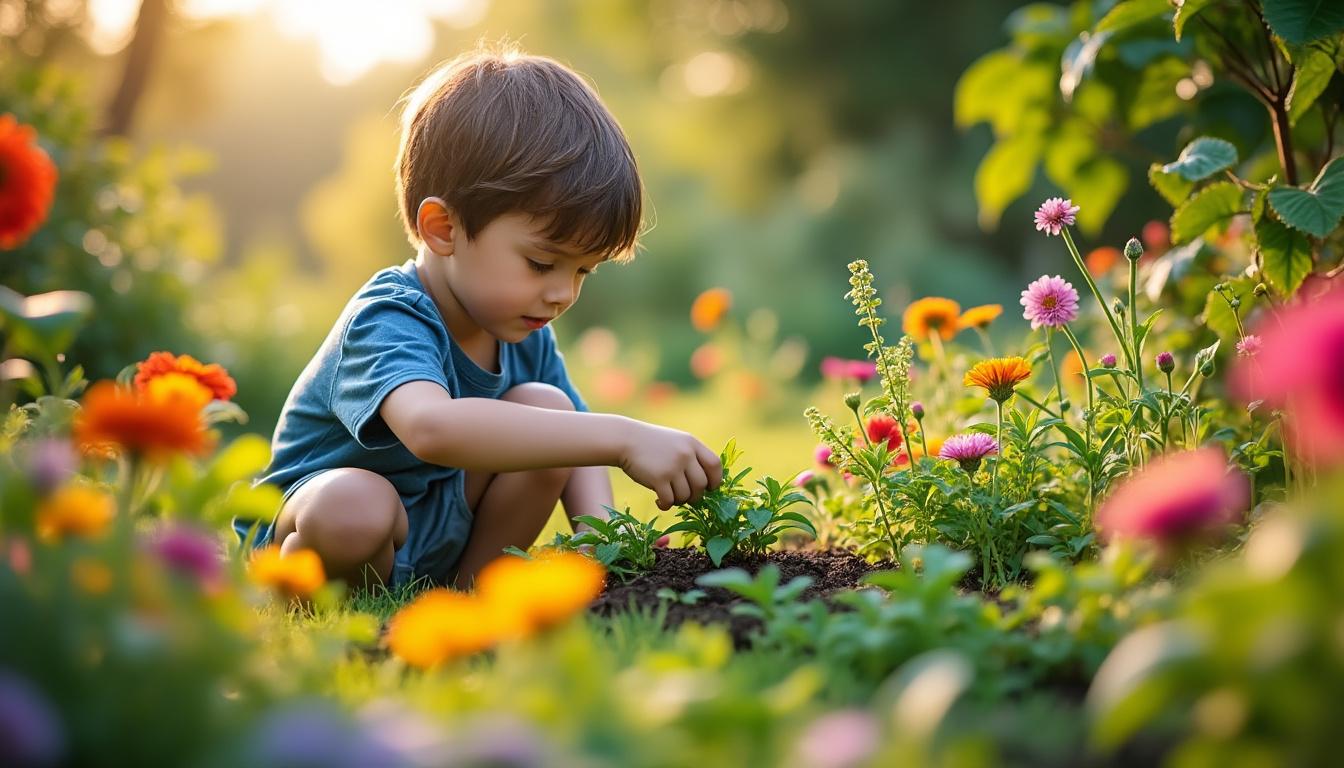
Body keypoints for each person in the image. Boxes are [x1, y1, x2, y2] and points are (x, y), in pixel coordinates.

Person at [234, 48, 722, 591]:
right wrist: (626, 435)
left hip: (437, 539)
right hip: (322, 534)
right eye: (541, 263)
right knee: (356, 504)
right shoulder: (388, 316)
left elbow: (573, 442)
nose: (562, 293)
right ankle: (335, 607)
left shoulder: (523, 331)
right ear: (443, 229)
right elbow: (431, 429)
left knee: (548, 409)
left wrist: (607, 545)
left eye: (584, 271)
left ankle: (467, 597)